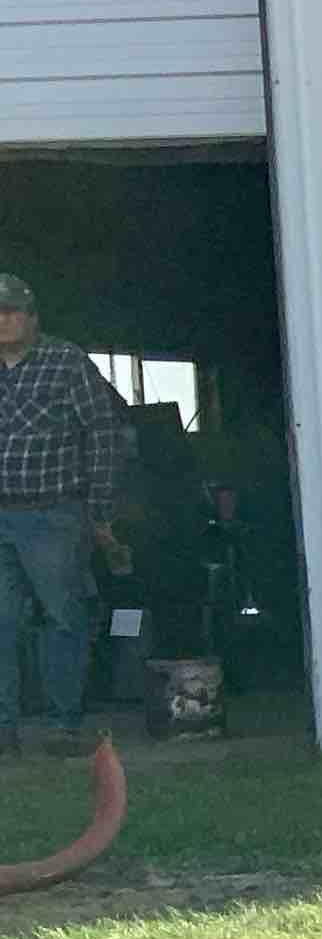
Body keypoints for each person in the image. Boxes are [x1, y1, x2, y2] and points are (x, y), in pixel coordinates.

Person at [0, 271, 136, 750]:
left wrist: (98, 508)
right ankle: (4, 728)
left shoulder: (66, 361)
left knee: (63, 617)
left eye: (13, 310)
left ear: (33, 317)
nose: (4, 319)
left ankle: (64, 724)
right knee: (3, 620)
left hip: (55, 515)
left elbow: (104, 431)